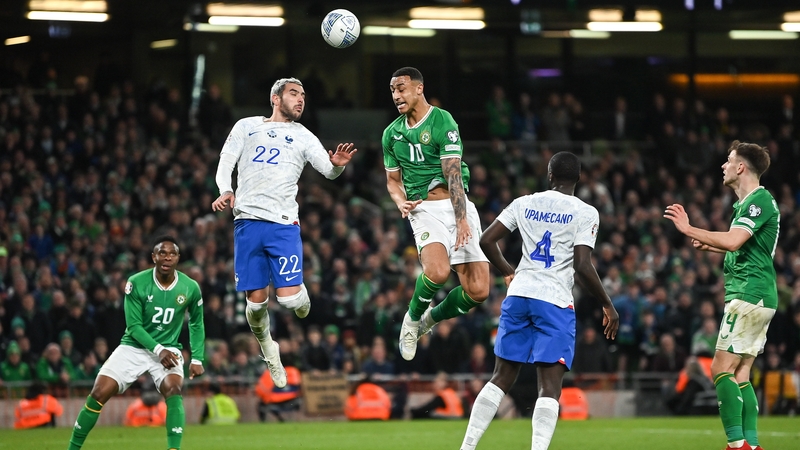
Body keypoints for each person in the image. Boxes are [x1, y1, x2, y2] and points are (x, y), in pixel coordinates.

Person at [459, 151, 619, 450]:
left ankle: (467, 447)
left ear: (549, 175)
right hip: (554, 301)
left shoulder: (525, 202)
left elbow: (486, 240)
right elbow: (582, 265)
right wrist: (607, 303)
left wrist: (509, 271)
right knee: (549, 388)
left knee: (500, 378)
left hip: (519, 294)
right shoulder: (585, 212)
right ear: (579, 178)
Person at [212, 77, 357, 388]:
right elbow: (226, 161)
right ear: (275, 99)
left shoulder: (304, 136)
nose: (301, 99)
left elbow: (328, 171)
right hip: (248, 222)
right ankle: (269, 348)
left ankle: (301, 300)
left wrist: (339, 166)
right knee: (255, 305)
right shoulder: (246, 126)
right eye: (294, 94)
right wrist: (226, 189)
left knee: (292, 303)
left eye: (303, 95)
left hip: (282, 225)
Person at [664, 140, 779, 450]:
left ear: (741, 167)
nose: (724, 166)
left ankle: (736, 444)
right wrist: (710, 244)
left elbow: (733, 241)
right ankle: (752, 445)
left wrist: (690, 229)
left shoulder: (758, 201)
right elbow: (743, 248)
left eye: (729, 161)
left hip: (748, 294)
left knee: (718, 368)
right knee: (741, 372)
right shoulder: (746, 205)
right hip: (759, 296)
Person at [381, 67, 490, 361]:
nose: (396, 95)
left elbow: (452, 174)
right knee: (438, 272)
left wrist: (462, 217)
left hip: (457, 204)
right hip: (423, 208)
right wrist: (400, 201)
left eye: (401, 88)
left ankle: (429, 320)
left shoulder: (443, 121)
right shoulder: (392, 134)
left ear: (419, 88)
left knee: (479, 290)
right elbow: (393, 181)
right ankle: (413, 319)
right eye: (392, 90)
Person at [67, 236, 205, 450]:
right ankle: (72, 448)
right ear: (154, 257)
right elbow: (134, 326)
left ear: (178, 258)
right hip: (134, 346)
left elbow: (196, 322)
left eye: (172, 253)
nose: (167, 257)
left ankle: (174, 449)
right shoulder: (136, 282)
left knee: (174, 389)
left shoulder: (190, 287)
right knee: (98, 392)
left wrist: (197, 357)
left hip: (168, 347)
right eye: (162, 253)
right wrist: (158, 350)